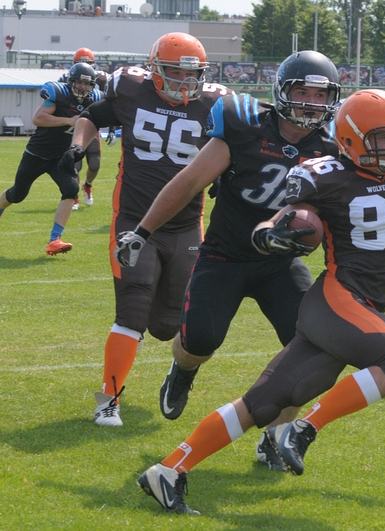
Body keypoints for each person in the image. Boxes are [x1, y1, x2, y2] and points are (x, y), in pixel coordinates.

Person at [136, 88, 385, 514]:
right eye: (383, 137)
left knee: (263, 402)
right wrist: (267, 235)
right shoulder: (326, 175)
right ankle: (301, 429)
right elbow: (287, 216)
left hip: (359, 305)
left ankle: (168, 470)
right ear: (351, 140)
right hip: (338, 301)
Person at [114, 50, 342, 468]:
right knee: (199, 340)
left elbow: (345, 211)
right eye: (302, 92)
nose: (311, 102)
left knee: (308, 349)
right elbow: (189, 181)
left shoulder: (332, 147)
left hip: (280, 264)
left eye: (320, 94)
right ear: (282, 91)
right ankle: (183, 370)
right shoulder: (245, 126)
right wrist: (143, 231)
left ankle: (275, 436)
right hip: (225, 255)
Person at [59, 32, 228, 427]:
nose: (184, 82)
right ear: (154, 69)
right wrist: (78, 145)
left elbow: (237, 146)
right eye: (175, 72)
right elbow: (92, 116)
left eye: (192, 74)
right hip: (133, 220)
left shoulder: (215, 103)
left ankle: (177, 371)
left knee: (168, 326)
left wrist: (226, 176)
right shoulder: (131, 90)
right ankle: (109, 400)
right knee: (132, 309)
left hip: (185, 226)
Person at [0, 63, 101, 255]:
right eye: (79, 82)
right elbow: (38, 118)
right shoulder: (60, 94)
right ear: (71, 81)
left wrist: (80, 146)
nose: (83, 87)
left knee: (71, 190)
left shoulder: (94, 100)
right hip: (37, 154)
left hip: (61, 156)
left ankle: (55, 239)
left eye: (87, 84)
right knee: (18, 194)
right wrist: (68, 121)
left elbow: (92, 128)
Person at [58, 47, 110, 210]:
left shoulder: (102, 79)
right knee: (75, 165)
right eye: (80, 62)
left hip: (92, 127)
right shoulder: (65, 78)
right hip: (74, 128)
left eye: (87, 62)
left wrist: (112, 128)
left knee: (94, 164)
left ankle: (87, 185)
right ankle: (73, 195)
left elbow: (110, 104)